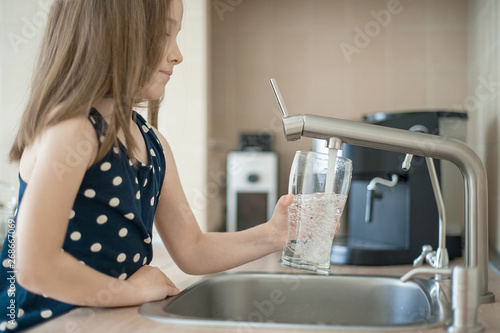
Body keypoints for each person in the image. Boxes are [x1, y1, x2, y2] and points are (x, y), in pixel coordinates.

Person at [0, 0, 293, 331]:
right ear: (109, 34)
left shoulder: (151, 141)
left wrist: (272, 235)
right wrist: (128, 291)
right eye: (165, 33)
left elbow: (192, 249)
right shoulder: (73, 130)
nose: (178, 54)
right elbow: (35, 266)